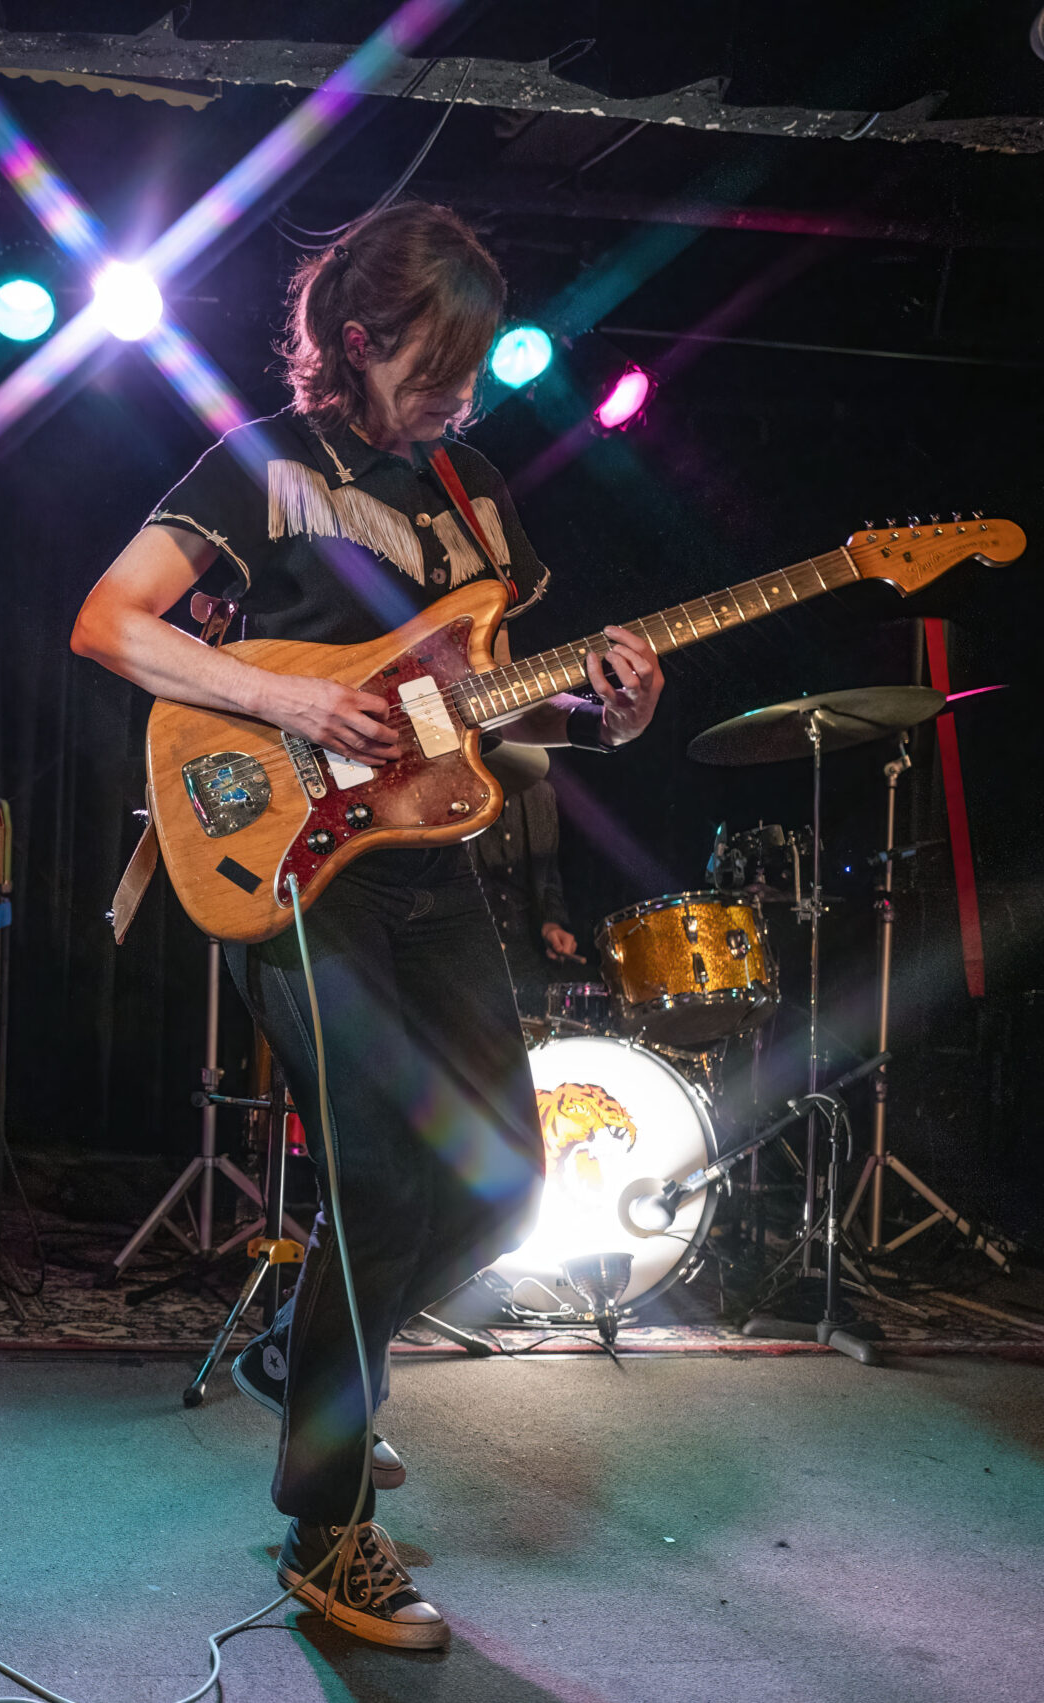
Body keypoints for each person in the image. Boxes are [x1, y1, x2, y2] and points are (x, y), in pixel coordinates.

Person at [70, 203, 662, 1650]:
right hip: (284, 851)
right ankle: (327, 1527)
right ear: (359, 342)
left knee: (510, 1179)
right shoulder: (261, 465)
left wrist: (606, 711)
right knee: (382, 1180)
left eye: (477, 364)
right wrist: (284, 696)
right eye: (438, 362)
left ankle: (305, 1351)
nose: (465, 392)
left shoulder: (476, 497)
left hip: (425, 857)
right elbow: (107, 622)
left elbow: (490, 717)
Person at [470, 751, 582, 1020]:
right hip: (476, 956)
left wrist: (552, 923)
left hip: (528, 951)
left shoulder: (541, 795)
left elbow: (549, 878)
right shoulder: (463, 799)